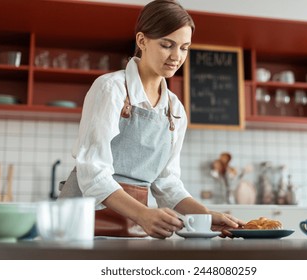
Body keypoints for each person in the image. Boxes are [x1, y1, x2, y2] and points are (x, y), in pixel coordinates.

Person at [59, 0, 245, 239]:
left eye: (184, 48)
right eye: (167, 45)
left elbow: (166, 183)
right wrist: (143, 214)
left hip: (133, 225)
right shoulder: (111, 89)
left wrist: (206, 215)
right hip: (81, 223)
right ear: (142, 41)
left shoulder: (175, 109)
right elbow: (93, 173)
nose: (176, 56)